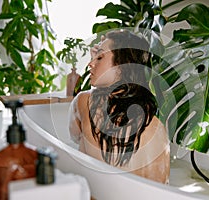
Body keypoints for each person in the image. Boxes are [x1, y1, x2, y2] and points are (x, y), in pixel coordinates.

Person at [68, 30, 170, 184]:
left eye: (100, 57)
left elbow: (74, 136)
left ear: (123, 65)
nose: (90, 63)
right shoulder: (156, 126)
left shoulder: (84, 102)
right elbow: (161, 187)